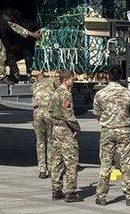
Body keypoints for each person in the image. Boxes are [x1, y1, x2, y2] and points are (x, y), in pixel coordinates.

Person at [93, 68, 130, 206]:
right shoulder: (128, 93)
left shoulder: (100, 94)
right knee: (126, 164)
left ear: (108, 77)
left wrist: (108, 120)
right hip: (124, 131)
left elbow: (97, 113)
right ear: (120, 77)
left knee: (105, 164)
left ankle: (101, 196)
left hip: (107, 131)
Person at [49, 70, 82, 202]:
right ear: (65, 80)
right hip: (64, 129)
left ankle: (56, 190)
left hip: (55, 128)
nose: (73, 82)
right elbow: (69, 115)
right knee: (71, 160)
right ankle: (70, 192)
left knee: (57, 160)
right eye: (72, 79)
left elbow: (50, 110)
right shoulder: (66, 94)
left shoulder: (55, 92)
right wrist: (76, 128)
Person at [32, 73, 59, 179]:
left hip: (37, 112)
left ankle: (42, 170)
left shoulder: (35, 84)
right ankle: (51, 168)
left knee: (40, 142)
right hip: (49, 112)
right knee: (51, 140)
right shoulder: (52, 82)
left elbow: (32, 90)